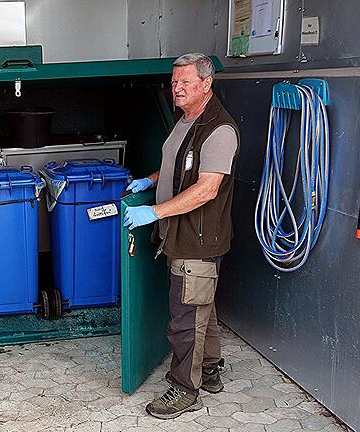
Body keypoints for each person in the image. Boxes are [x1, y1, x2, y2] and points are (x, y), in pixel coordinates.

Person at [123, 52, 240, 419]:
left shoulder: (219, 130)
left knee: (185, 318)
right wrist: (151, 180)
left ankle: (184, 389)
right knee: (201, 304)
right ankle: (209, 368)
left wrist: (153, 211)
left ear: (207, 84)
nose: (177, 89)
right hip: (182, 235)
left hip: (198, 240)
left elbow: (206, 188)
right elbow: (177, 167)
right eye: (174, 82)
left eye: (185, 82)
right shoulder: (185, 119)